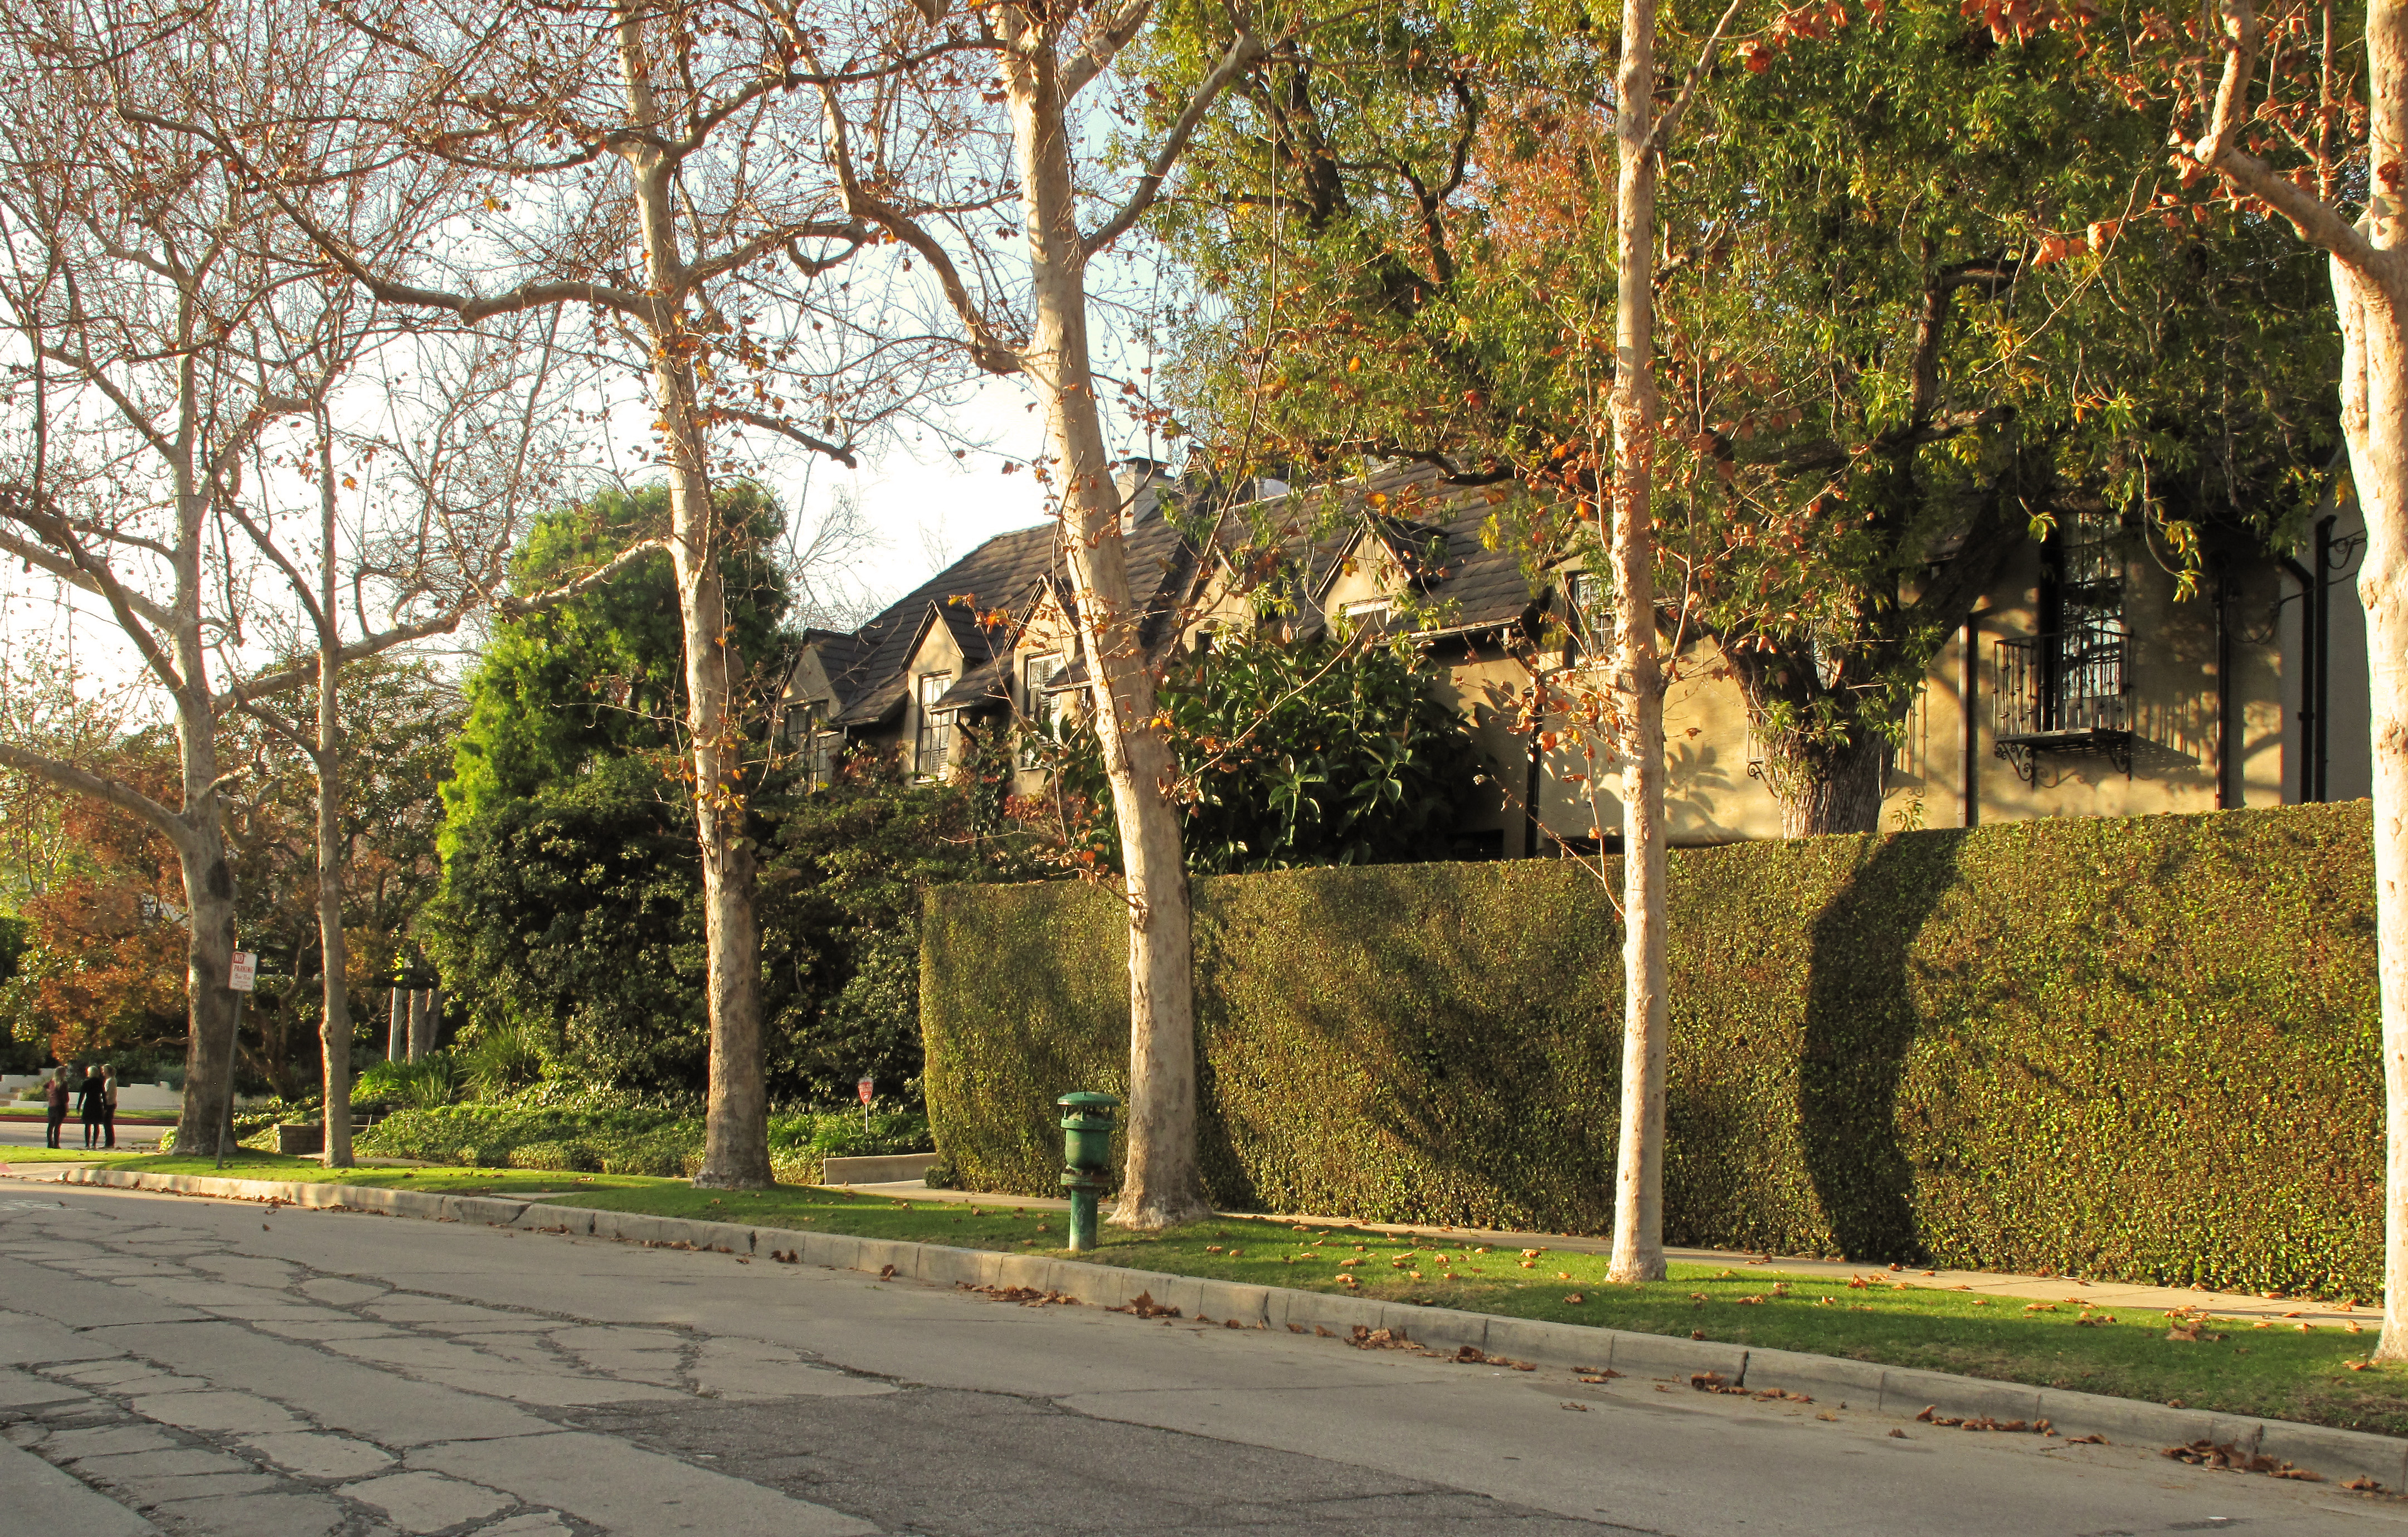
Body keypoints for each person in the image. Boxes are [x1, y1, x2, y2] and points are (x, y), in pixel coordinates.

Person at [76, 1064, 105, 1150]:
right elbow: (103, 1094)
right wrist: (105, 1106)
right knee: (96, 1125)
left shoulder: (86, 1082)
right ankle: (94, 1144)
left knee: (87, 1125)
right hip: (97, 1103)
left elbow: (82, 1095)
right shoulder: (100, 1082)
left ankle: (87, 1144)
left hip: (89, 1103)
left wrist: (79, 1106)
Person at [42, 1069, 66, 1149]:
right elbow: (65, 1096)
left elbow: (45, 1086)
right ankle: (56, 1144)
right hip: (60, 1106)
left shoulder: (52, 1081)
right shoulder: (63, 1083)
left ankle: (50, 1143)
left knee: (51, 1125)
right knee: (57, 1126)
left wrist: (49, 1093)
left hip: (52, 1105)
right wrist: (67, 1106)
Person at [100, 1065, 116, 1150]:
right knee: (108, 1123)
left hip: (109, 1104)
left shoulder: (110, 1081)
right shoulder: (111, 1080)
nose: (103, 1072)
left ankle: (109, 1142)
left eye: (104, 1070)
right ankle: (110, 1142)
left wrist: (102, 1100)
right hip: (111, 1103)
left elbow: (107, 1093)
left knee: (107, 1124)